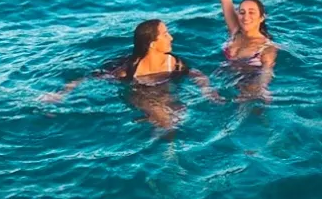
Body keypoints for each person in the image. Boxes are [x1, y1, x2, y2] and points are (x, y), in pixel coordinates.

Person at [43, 19, 220, 127]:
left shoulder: (174, 63)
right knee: (166, 121)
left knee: (180, 116)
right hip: (138, 94)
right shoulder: (128, 70)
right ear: (152, 44)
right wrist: (60, 94)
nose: (171, 37)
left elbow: (196, 74)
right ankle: (166, 150)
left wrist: (208, 91)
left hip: (164, 90)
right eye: (165, 34)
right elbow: (89, 77)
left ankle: (161, 137)